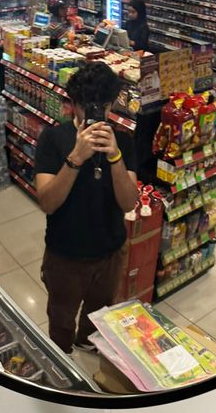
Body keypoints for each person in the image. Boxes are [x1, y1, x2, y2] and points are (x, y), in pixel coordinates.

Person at [35, 62, 139, 355]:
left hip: (110, 253)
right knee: (61, 319)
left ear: (111, 105)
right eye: (86, 107)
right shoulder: (53, 139)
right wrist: (76, 158)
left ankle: (87, 343)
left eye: (102, 107)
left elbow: (129, 202)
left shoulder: (125, 142)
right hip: (65, 256)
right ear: (73, 104)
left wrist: (115, 156)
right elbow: (48, 202)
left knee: (99, 315)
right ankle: (62, 357)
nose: (95, 116)